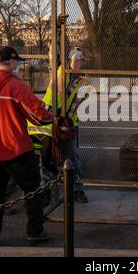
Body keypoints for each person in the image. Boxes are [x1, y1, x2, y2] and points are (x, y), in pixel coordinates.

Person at [0, 46, 55, 246]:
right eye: (16, 62)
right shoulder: (15, 85)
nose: (17, 65)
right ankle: (35, 231)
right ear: (10, 62)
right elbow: (37, 115)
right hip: (16, 148)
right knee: (32, 191)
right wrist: (53, 119)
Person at [28, 46, 89, 203]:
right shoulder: (62, 72)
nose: (78, 63)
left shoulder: (83, 79)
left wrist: (66, 122)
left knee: (72, 157)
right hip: (50, 120)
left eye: (80, 60)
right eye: (76, 59)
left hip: (66, 123)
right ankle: (46, 190)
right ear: (69, 60)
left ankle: (76, 189)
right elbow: (54, 54)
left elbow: (77, 102)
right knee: (47, 158)